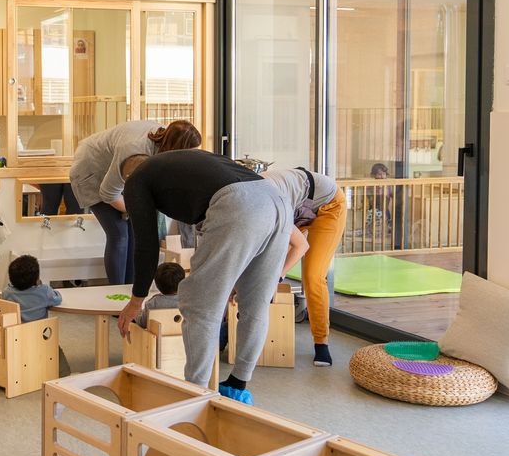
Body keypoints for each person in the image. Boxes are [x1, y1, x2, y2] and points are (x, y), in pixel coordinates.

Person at [117, 150, 292, 405]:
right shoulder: (179, 162)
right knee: (256, 303)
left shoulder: (136, 180)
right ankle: (237, 385)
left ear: (127, 177)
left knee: (199, 304)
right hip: (277, 201)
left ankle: (195, 394)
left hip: (238, 205)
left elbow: (146, 245)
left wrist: (136, 301)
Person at [69, 119, 202, 286]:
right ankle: (116, 290)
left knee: (135, 232)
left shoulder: (166, 139)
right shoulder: (133, 151)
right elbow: (108, 193)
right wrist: (134, 209)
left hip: (116, 172)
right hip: (91, 169)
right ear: (177, 147)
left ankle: (131, 288)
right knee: (119, 234)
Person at [261, 167, 347, 367]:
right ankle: (230, 331)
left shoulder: (272, 203)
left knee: (313, 276)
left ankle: (321, 342)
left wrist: (277, 278)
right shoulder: (248, 202)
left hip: (329, 205)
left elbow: (300, 246)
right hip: (298, 206)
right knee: (267, 261)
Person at [1, 254, 70, 376]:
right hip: (38, 336)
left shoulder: (7, 293)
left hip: (15, 336)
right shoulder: (43, 291)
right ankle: (64, 373)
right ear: (37, 278)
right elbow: (57, 298)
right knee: (55, 349)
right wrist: (42, 286)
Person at [134, 262, 184, 329]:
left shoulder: (154, 303)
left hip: (158, 334)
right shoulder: (187, 300)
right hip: (181, 333)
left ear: (157, 285)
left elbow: (142, 323)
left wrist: (136, 313)